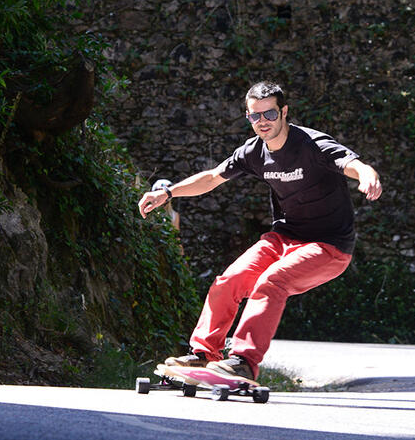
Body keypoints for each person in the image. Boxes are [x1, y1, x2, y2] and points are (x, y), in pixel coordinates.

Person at [138, 80, 382, 381]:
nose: (262, 122)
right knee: (229, 280)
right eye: (255, 116)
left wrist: (367, 175)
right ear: (248, 117)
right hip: (283, 238)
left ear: (284, 112)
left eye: (269, 114)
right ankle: (204, 355)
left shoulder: (311, 145)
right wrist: (169, 192)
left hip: (328, 246)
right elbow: (213, 177)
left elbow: (353, 163)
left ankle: (243, 361)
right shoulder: (253, 152)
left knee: (271, 281)